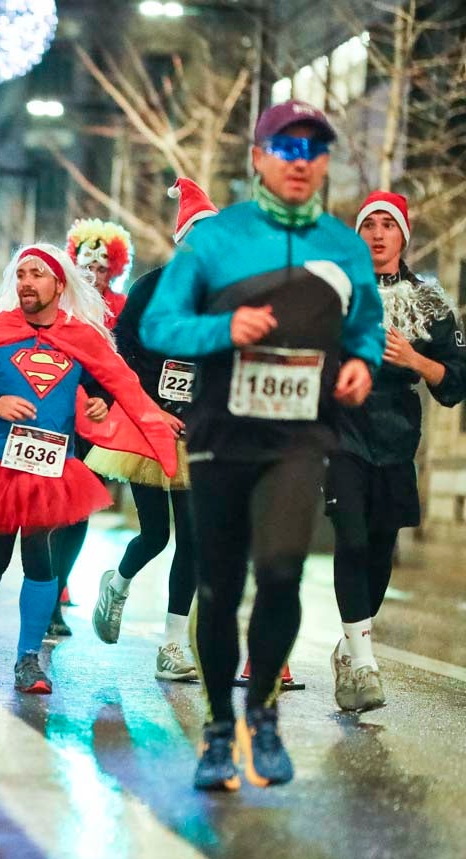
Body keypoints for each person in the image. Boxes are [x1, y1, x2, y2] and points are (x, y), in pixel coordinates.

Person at [141, 100, 384, 790]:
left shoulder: (342, 247)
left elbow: (365, 326)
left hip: (299, 437)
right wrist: (224, 331)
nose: (300, 162)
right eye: (285, 148)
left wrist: (362, 361)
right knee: (219, 589)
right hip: (221, 435)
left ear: (326, 163)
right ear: (258, 158)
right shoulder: (214, 243)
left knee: (280, 572)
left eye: (313, 150)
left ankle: (265, 717)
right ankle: (219, 730)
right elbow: (160, 324)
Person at [0, 244, 176, 694]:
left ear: (58, 284)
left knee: (41, 558)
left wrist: (98, 402)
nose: (27, 282)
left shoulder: (81, 337)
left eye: (37, 274)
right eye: (22, 274)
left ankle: (28, 659)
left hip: (52, 465)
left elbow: (110, 382)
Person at [326, 191, 466, 711]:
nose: (378, 233)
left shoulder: (429, 303)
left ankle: (349, 646)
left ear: (403, 236)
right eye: (370, 225)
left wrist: (415, 360)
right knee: (352, 540)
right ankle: (363, 665)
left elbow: (456, 381)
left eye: (389, 225)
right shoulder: (335, 294)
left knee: (380, 557)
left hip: (395, 443)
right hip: (342, 438)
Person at [84, 179, 217, 680]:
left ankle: (172, 646)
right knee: (157, 534)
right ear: (183, 239)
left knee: (194, 540)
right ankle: (116, 585)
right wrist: (153, 405)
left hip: (197, 432)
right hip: (148, 425)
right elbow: (124, 353)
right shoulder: (150, 288)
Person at [45, 218, 135, 635]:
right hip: (57, 414)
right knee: (51, 508)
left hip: (100, 422)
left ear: (113, 270)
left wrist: (111, 400)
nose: (93, 275)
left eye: (101, 268)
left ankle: (59, 589)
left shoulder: (123, 310)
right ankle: (45, 595)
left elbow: (130, 364)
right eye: (86, 266)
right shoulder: (58, 304)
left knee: (80, 510)